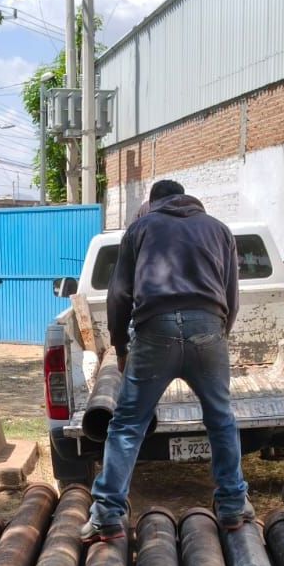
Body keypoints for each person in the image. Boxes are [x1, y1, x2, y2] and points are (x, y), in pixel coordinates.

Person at [81, 179, 254, 543]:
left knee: (128, 423)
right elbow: (231, 296)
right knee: (221, 419)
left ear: (154, 202)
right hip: (208, 327)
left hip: (154, 329)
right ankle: (234, 507)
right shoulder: (220, 230)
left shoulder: (140, 229)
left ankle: (108, 516)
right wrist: (217, 335)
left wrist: (121, 347)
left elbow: (119, 295)